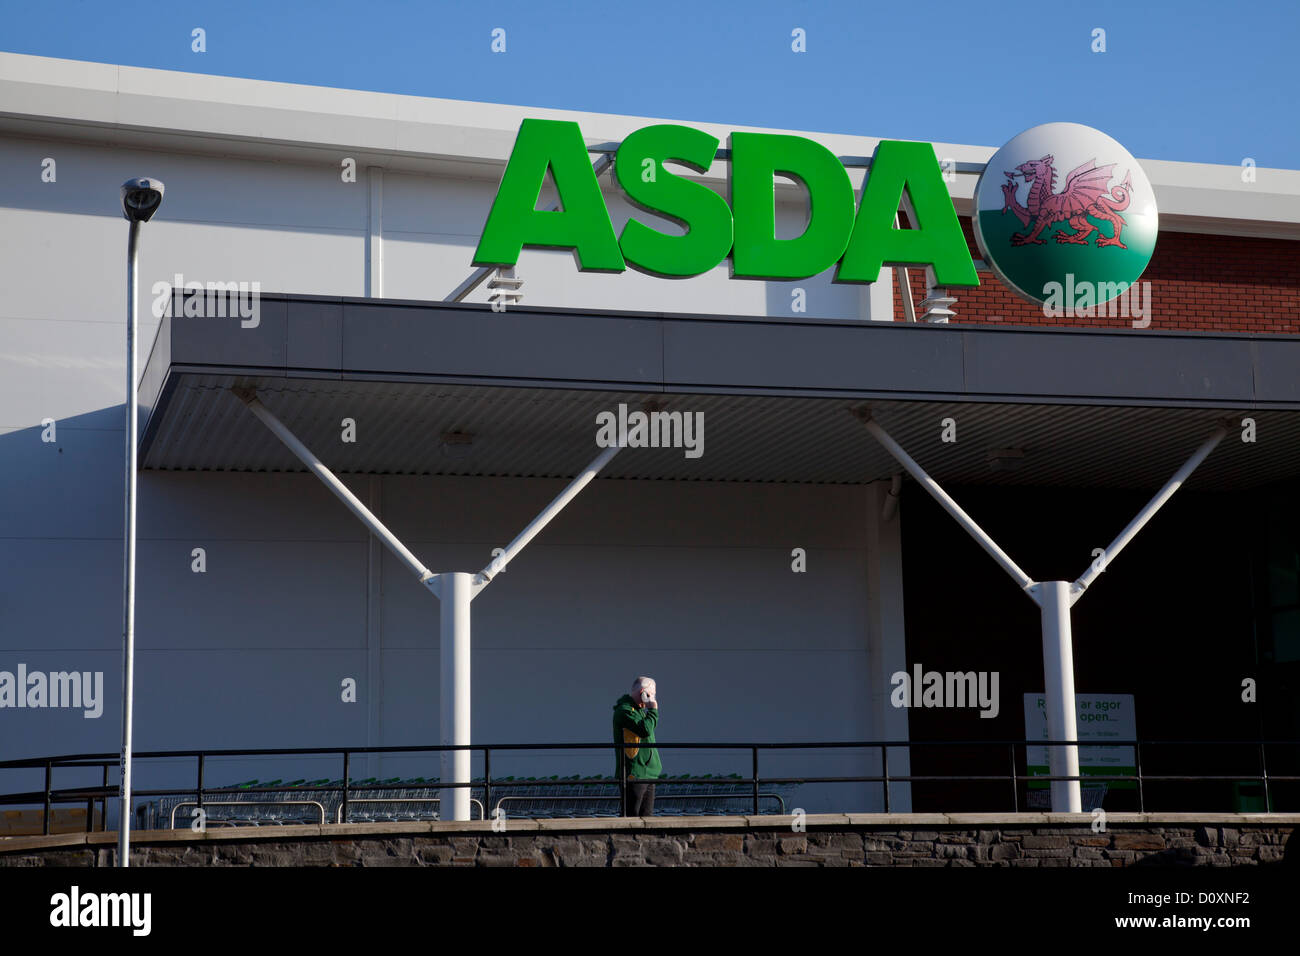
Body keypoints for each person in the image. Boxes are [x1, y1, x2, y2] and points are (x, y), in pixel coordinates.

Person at [612, 676, 660, 816]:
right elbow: (645, 730)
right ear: (643, 693)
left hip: (648, 772)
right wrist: (653, 710)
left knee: (647, 816)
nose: (653, 698)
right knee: (632, 815)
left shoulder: (639, 711)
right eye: (652, 694)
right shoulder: (625, 711)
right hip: (635, 772)